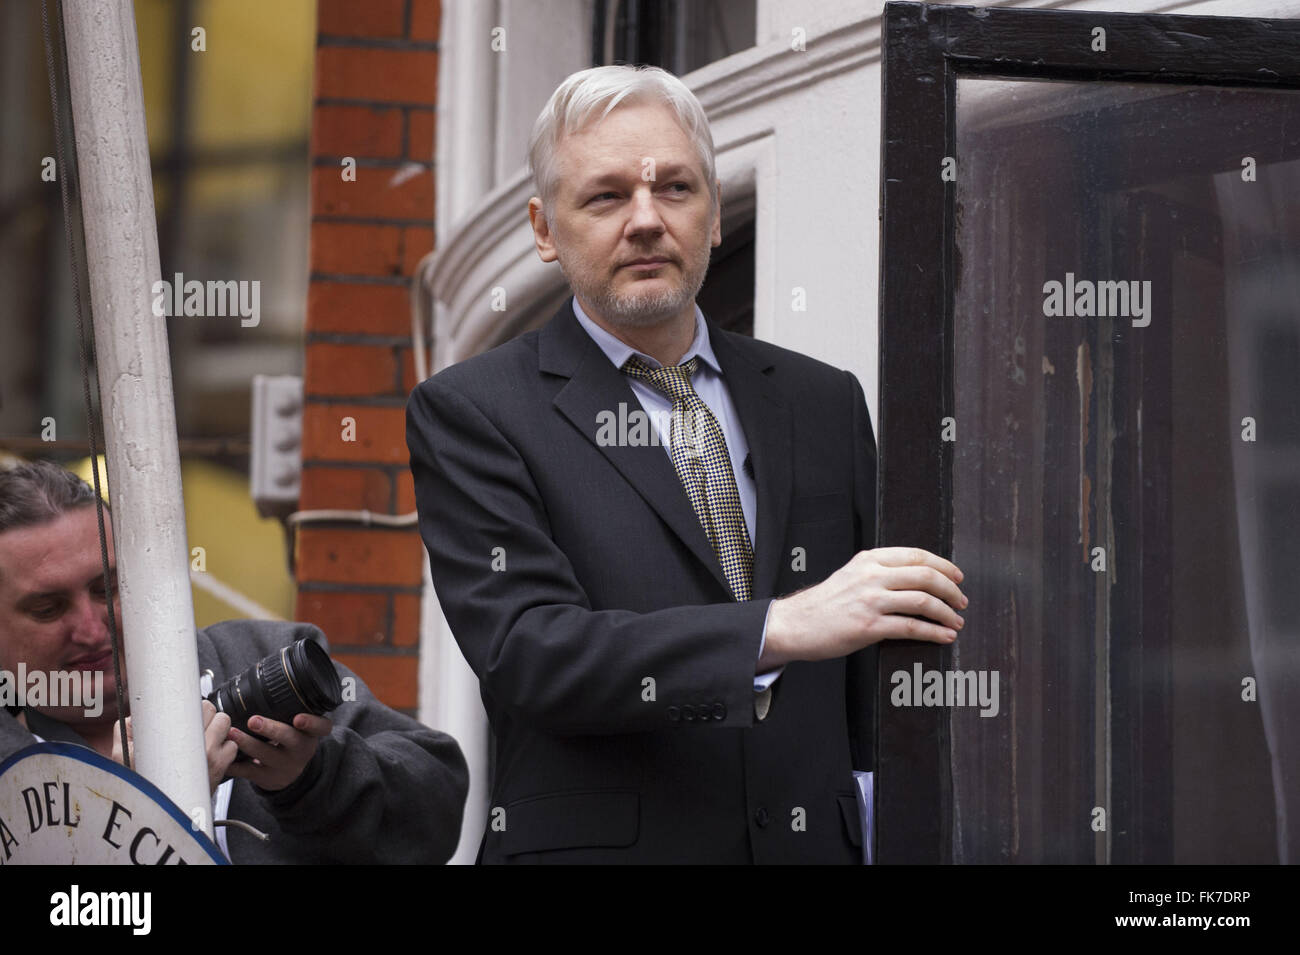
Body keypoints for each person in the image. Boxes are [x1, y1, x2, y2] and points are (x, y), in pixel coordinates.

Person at [406, 64, 968, 864]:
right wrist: (781, 625)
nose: (646, 220)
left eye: (675, 188)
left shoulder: (823, 400)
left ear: (711, 216)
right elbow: (532, 653)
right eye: (605, 196)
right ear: (541, 228)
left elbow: (871, 682)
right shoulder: (475, 410)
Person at [0, 460, 469, 864]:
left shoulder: (260, 654)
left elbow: (438, 808)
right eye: (48, 609)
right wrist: (133, 806)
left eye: (108, 589)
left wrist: (312, 779)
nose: (91, 627)